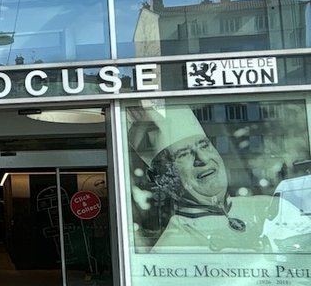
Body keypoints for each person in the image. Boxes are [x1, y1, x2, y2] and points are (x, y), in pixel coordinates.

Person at [129, 105, 308, 252]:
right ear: (163, 178)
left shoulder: (269, 207)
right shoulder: (171, 247)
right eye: (183, 155)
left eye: (204, 145)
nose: (203, 159)